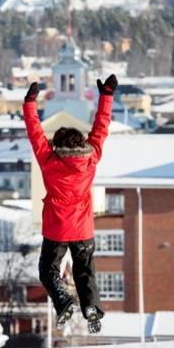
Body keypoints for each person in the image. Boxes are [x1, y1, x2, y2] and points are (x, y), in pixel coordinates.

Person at [22, 74, 117, 334]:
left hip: (56, 229)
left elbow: (35, 133)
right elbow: (101, 127)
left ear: (59, 145)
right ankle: (92, 310)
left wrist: (30, 103)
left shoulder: (49, 161)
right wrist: (106, 95)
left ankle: (63, 302)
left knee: (48, 271)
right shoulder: (92, 157)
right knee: (85, 272)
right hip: (83, 229)